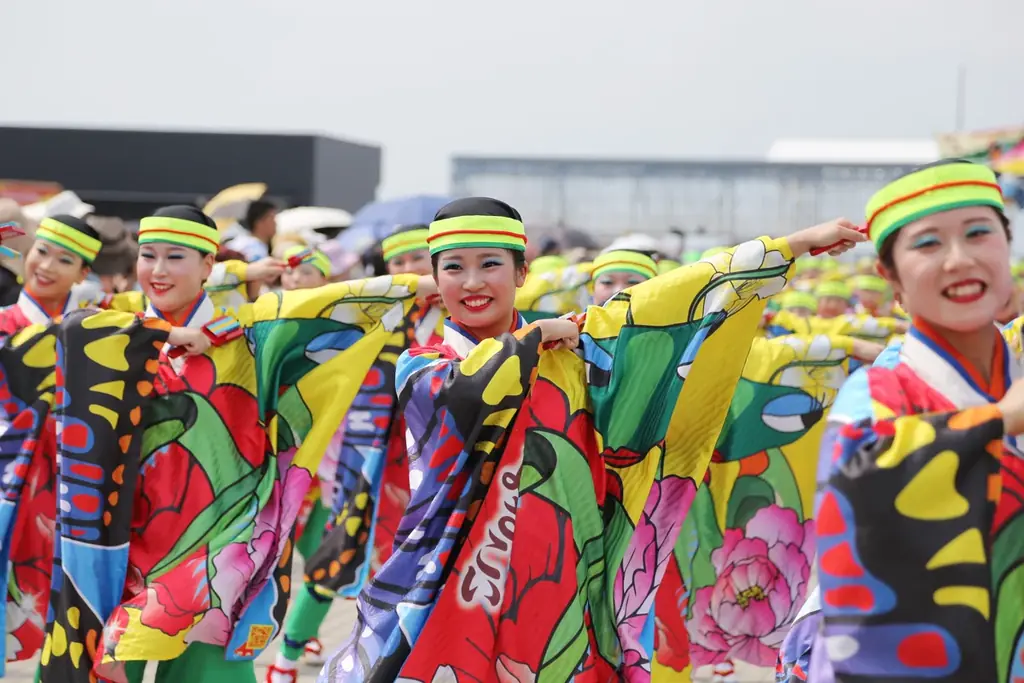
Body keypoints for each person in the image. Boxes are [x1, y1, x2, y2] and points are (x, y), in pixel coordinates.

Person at [318, 196, 864, 682]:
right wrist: (532, 337)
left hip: (554, 584)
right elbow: (467, 395)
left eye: (491, 265)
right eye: (454, 268)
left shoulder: (572, 353)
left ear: (522, 272)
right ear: (437, 281)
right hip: (451, 586)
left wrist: (787, 247)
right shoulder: (422, 365)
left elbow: (665, 304)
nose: (473, 281)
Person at [29, 204, 439, 683]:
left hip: (214, 544)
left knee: (209, 671)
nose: (158, 271)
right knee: (97, 665)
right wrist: (162, 333)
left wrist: (442, 281)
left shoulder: (249, 332)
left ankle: (286, 657)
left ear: (207, 266)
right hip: (122, 539)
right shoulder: (114, 326)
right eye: (148, 256)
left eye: (175, 257)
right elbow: (74, 328)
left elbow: (334, 301)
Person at [778, 159, 1024, 683]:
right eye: (928, 244)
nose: (959, 260)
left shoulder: (1016, 366)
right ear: (892, 279)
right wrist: (999, 420)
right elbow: (861, 477)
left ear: (1007, 248)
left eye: (979, 234)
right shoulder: (882, 385)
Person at [266, 225, 441, 683]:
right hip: (364, 456)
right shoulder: (374, 315)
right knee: (338, 548)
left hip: (431, 461)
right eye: (398, 264)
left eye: (417, 261)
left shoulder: (460, 319)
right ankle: (287, 656)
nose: (408, 270)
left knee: (423, 562)